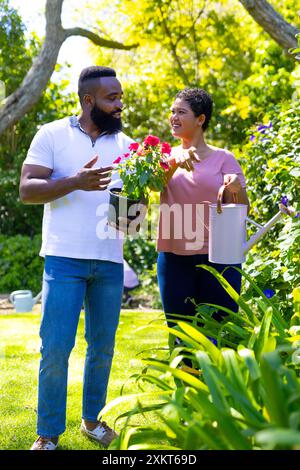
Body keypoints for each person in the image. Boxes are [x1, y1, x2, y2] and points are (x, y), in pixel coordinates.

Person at [19, 66, 137, 450]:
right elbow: (27, 189)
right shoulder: (51, 133)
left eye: (120, 97)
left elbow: (129, 220)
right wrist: (75, 182)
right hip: (63, 259)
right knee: (55, 348)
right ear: (89, 101)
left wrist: (141, 200)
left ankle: (92, 421)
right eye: (112, 98)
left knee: (101, 348)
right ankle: (48, 433)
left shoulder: (127, 144)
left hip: (108, 262)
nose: (120, 104)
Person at [157, 88, 249, 360]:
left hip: (220, 258)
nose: (174, 117)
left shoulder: (224, 158)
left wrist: (234, 187)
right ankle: (185, 398)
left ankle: (219, 396)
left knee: (220, 333)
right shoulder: (163, 156)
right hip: (175, 258)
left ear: (200, 119)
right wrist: (174, 161)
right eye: (172, 111)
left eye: (181, 112)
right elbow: (153, 185)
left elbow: (243, 207)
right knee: (181, 334)